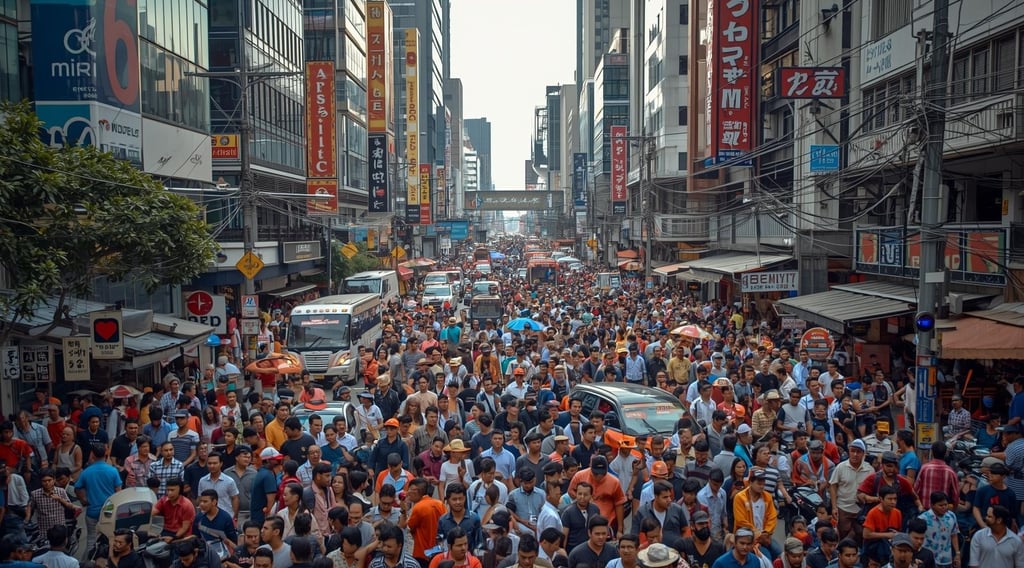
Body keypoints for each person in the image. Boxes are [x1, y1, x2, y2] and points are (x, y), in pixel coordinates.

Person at [75, 443, 122, 555]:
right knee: (111, 537)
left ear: (92, 455)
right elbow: (118, 491)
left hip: (92, 511)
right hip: (109, 511)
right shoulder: (113, 471)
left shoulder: (86, 472)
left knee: (91, 539)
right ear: (106, 454)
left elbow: (77, 488)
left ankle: (89, 561)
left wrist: (83, 500)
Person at [402, 477, 447, 568]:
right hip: (439, 550)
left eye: (409, 489)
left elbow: (409, 527)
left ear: (416, 491)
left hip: (422, 552)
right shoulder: (440, 504)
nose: (408, 493)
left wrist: (404, 511)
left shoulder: (418, 507)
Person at [28, 468, 78, 538]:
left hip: (60, 529)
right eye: (44, 481)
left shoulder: (61, 491)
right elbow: (30, 508)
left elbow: (70, 506)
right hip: (44, 531)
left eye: (49, 480)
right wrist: (27, 519)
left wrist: (60, 499)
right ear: (40, 481)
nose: (47, 483)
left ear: (54, 480)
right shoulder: (35, 494)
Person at [916, 492, 959, 568]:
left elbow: (954, 535)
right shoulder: (923, 519)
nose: (944, 507)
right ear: (932, 505)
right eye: (940, 505)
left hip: (946, 559)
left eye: (945, 505)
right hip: (928, 558)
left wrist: (957, 553)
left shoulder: (951, 516)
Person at [913, 441, 959, 510]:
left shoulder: (924, 468)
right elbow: (955, 496)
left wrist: (919, 506)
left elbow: (916, 490)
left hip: (925, 511)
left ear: (932, 452)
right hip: (943, 512)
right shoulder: (951, 472)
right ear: (945, 453)